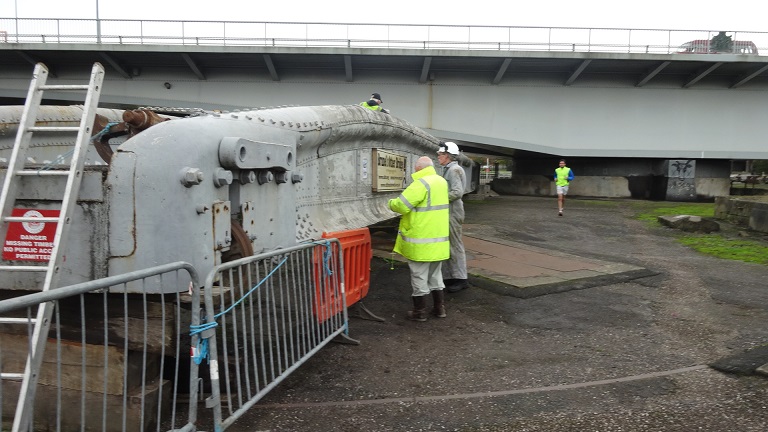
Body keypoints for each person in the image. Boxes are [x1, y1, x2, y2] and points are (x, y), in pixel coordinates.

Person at [388, 156, 450, 321]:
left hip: (421, 240)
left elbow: (401, 205)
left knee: (419, 275)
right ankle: (439, 308)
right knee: (435, 275)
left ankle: (420, 311)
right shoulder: (441, 182)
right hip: (439, 240)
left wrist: (390, 203)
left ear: (418, 169)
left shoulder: (420, 183)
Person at [437, 141, 468, 293]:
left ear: (448, 155)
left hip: (453, 212)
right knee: (450, 245)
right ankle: (452, 277)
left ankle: (461, 279)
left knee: (455, 245)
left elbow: (457, 192)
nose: (438, 156)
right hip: (450, 212)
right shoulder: (449, 169)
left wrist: (438, 198)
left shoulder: (454, 170)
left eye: (440, 154)